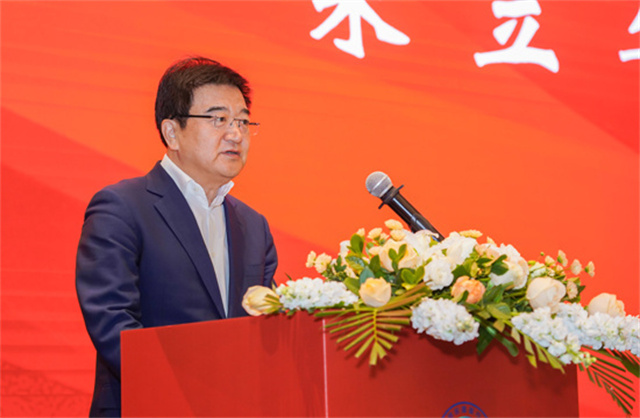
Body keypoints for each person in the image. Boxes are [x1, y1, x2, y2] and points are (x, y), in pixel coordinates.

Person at [76, 57, 277, 417]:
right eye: (218, 120)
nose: (235, 134)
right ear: (171, 132)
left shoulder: (253, 225)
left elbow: (267, 329)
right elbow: (113, 324)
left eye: (243, 121)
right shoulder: (122, 207)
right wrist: (194, 397)